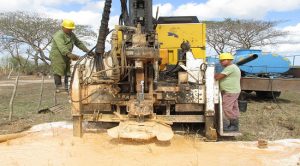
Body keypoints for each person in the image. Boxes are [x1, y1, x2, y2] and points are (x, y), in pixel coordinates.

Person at [50, 19, 90, 93]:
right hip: (58, 56)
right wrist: (70, 54)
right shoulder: (59, 35)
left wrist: (87, 51)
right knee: (58, 71)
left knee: (68, 71)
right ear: (63, 27)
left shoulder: (71, 34)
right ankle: (58, 87)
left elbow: (78, 43)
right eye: (68, 28)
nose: (70, 30)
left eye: (71, 28)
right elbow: (61, 47)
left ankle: (67, 87)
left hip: (67, 55)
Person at [214, 53, 241, 131]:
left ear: (229, 60)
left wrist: (213, 75)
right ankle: (235, 125)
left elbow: (218, 77)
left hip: (230, 92)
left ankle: (234, 126)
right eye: (220, 61)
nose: (221, 62)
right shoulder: (233, 67)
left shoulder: (230, 68)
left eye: (223, 60)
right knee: (234, 108)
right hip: (234, 91)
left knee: (227, 108)